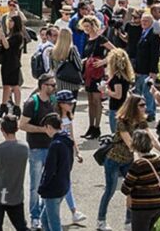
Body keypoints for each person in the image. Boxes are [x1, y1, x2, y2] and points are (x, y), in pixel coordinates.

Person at [97, 95, 160, 231]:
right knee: (110, 191)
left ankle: (129, 221)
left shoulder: (141, 121)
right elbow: (130, 144)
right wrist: (147, 156)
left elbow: (151, 137)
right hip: (114, 160)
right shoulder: (122, 121)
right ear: (134, 106)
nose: (145, 107)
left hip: (128, 161)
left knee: (132, 192)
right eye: (142, 105)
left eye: (145, 104)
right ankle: (101, 221)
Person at [19, 73, 57, 230]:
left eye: (54, 85)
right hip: (36, 149)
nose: (54, 88)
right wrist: (43, 130)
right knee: (35, 185)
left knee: (48, 183)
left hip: (51, 148)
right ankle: (35, 217)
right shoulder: (31, 103)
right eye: (52, 85)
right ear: (43, 85)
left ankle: (42, 214)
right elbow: (22, 125)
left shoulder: (53, 101)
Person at [121, 130, 160, 231]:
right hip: (158, 206)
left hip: (141, 207)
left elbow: (125, 189)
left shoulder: (138, 165)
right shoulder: (159, 161)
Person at [0, 115, 29, 231]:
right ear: (16, 129)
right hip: (16, 196)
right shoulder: (24, 147)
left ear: (2, 129)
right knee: (21, 227)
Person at [53, 91, 88, 224]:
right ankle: (73, 211)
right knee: (64, 182)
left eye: (72, 103)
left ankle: (72, 211)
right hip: (59, 152)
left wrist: (77, 151)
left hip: (68, 152)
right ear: (61, 104)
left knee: (64, 182)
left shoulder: (68, 116)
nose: (71, 105)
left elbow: (72, 135)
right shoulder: (56, 118)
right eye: (68, 103)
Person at [38, 113, 74, 231]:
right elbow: (70, 163)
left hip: (53, 189)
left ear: (49, 127)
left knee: (54, 224)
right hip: (64, 184)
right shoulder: (67, 141)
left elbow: (49, 170)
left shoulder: (55, 145)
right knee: (44, 219)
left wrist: (42, 187)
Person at [80, 15, 114, 139]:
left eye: (88, 26)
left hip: (97, 73)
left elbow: (115, 51)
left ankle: (97, 127)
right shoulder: (88, 39)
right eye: (85, 27)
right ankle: (91, 126)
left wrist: (103, 61)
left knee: (96, 100)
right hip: (88, 72)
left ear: (94, 26)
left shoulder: (101, 39)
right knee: (90, 101)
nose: (86, 29)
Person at [135, 13, 160, 123]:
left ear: (151, 22)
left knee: (148, 92)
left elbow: (154, 55)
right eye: (142, 20)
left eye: (146, 21)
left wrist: (153, 71)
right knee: (140, 91)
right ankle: (146, 111)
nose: (143, 22)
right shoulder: (143, 33)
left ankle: (151, 113)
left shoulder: (154, 35)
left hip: (148, 70)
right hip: (140, 68)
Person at [0, 15, 25, 116]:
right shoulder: (10, 34)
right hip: (6, 62)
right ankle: (3, 106)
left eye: (11, 21)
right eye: (9, 21)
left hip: (13, 63)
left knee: (15, 86)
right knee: (6, 86)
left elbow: (7, 46)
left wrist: (2, 35)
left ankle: (17, 107)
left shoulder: (18, 36)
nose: (9, 23)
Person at [102, 49, 134, 133]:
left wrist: (105, 90)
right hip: (123, 108)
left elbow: (118, 95)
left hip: (116, 109)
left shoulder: (117, 77)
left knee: (116, 134)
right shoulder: (124, 75)